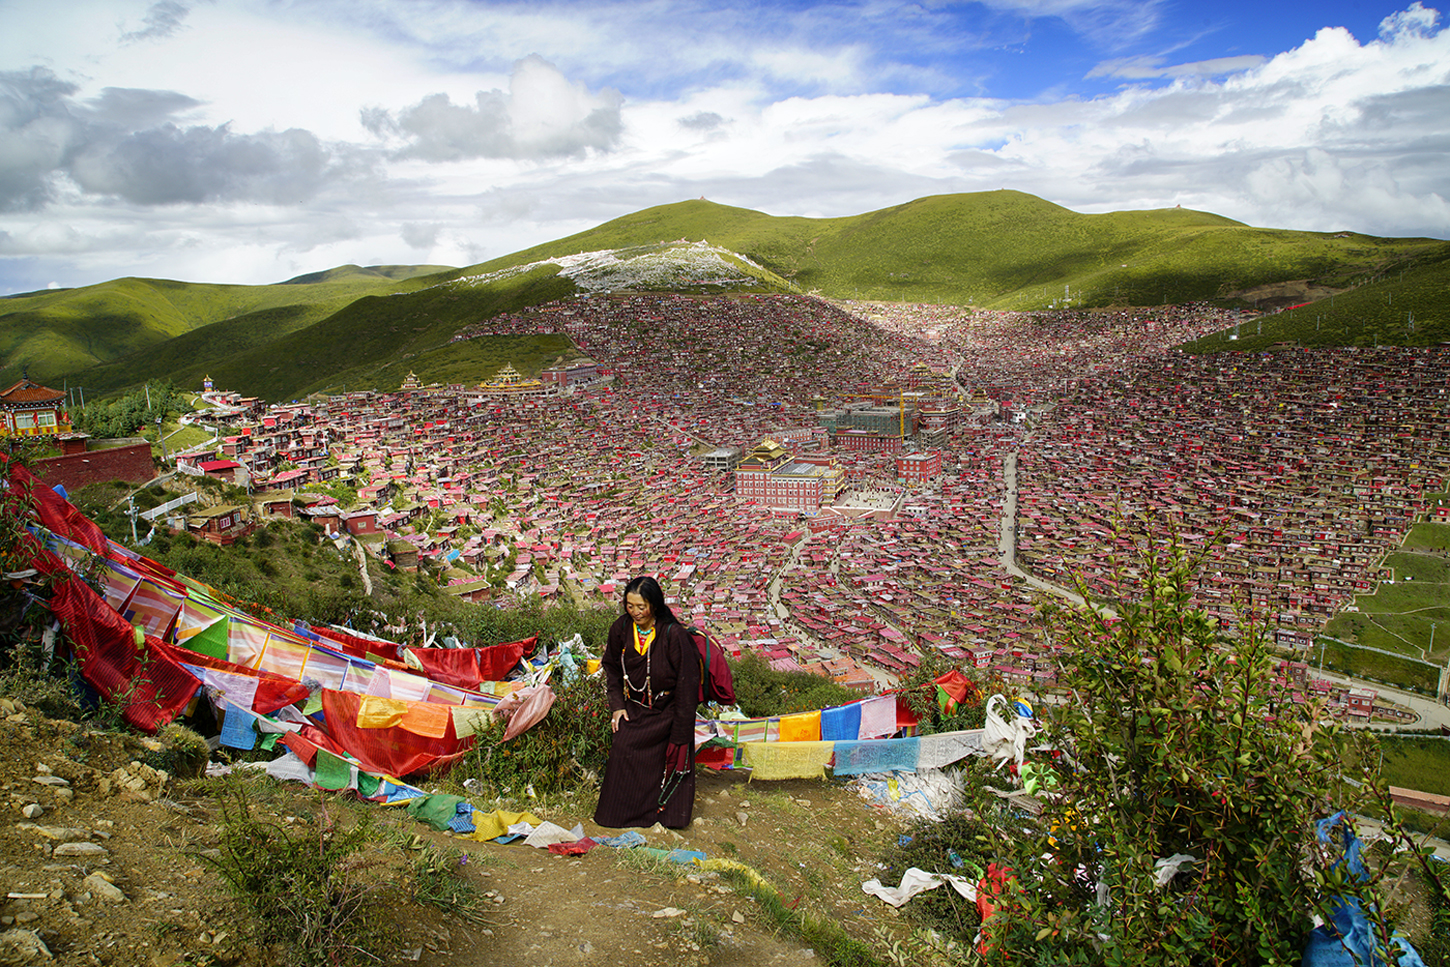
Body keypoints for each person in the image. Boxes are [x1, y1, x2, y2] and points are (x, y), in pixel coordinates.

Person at [594, 575, 700, 829]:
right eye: (630, 606)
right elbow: (611, 667)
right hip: (635, 707)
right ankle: (619, 815)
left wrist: (681, 733)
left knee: (673, 758)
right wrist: (617, 706)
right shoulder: (621, 629)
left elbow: (687, 686)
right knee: (623, 746)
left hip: (668, 712)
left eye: (642, 607)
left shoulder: (673, 635)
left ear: (655, 605)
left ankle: (664, 816)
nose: (636, 612)